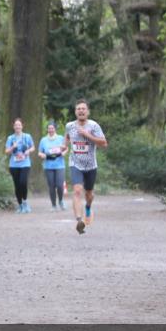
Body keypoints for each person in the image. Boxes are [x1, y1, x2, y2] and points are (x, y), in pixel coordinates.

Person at [64, 100, 107, 234]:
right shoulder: (70, 126)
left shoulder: (93, 126)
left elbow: (104, 143)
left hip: (90, 165)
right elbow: (66, 138)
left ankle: (88, 208)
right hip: (75, 163)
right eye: (78, 109)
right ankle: (79, 221)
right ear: (75, 112)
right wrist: (64, 146)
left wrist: (87, 135)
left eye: (83, 109)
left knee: (89, 194)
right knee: (77, 190)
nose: (81, 111)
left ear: (87, 111)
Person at [4, 118, 34, 213]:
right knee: (17, 185)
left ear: (22, 126)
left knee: (23, 183)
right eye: (16, 125)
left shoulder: (27, 136)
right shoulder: (10, 138)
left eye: (19, 125)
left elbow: (33, 147)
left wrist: (28, 151)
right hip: (14, 165)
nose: (17, 126)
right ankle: (20, 205)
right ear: (13, 127)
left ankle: (25, 202)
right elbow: (6, 151)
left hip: (25, 164)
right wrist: (13, 146)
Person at [38, 121, 68, 211]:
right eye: (49, 128)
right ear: (47, 129)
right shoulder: (43, 140)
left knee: (59, 185)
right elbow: (39, 152)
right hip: (48, 166)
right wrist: (41, 155)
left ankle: (61, 201)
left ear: (55, 129)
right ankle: (53, 205)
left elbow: (66, 148)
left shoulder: (60, 138)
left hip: (59, 165)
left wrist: (63, 153)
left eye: (52, 128)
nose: (50, 130)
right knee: (51, 186)